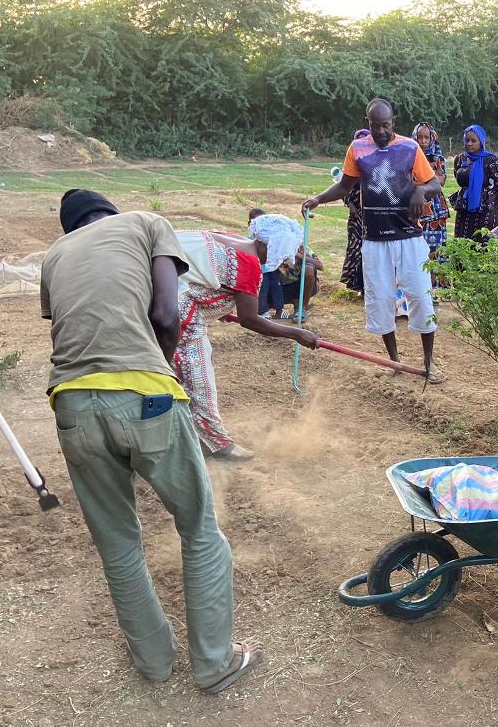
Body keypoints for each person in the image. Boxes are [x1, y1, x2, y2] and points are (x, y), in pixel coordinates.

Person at [40, 191, 263, 694]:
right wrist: (157, 370)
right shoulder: (145, 224)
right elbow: (166, 315)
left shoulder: (55, 254)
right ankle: (214, 664)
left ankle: (154, 661)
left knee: (118, 546)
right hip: (145, 396)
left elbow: (68, 332)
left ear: (70, 227)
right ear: (109, 213)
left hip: (71, 405)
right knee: (200, 529)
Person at [302, 99, 446, 383]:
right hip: (375, 240)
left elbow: (435, 183)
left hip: (410, 237)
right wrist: (318, 198)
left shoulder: (409, 147)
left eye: (387, 125)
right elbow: (345, 186)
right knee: (380, 301)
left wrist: (420, 193)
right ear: (368, 123)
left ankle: (429, 362)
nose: (381, 131)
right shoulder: (358, 149)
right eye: (376, 125)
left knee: (420, 297)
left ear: (394, 122)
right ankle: (395, 362)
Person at [172, 211, 319, 461]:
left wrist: (220, 308)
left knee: (177, 375)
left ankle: (181, 433)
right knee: (199, 376)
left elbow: (210, 279)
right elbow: (250, 320)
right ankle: (215, 443)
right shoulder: (249, 264)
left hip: (172, 299)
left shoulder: (230, 238)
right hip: (182, 316)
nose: (286, 258)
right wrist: (296, 333)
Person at [451, 124, 498, 242]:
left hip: (486, 208)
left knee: (484, 241)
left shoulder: (491, 160)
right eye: (467, 140)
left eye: (473, 141)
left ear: (481, 142)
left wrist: (495, 201)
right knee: (463, 241)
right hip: (465, 207)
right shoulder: (461, 158)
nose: (469, 143)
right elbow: (457, 175)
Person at [412, 122, 451, 270]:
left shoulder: (438, 157)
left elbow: (440, 181)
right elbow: (407, 180)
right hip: (416, 209)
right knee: (417, 250)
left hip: (436, 211)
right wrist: (430, 177)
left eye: (426, 137)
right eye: (420, 137)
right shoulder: (410, 156)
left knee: (437, 249)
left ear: (432, 138)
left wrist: (419, 178)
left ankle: (437, 287)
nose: (423, 141)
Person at [340, 128, 371, 295]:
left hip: (372, 214)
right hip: (356, 215)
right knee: (356, 248)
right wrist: (350, 205)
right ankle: (357, 285)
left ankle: (369, 287)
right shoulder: (352, 163)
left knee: (371, 250)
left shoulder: (374, 163)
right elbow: (343, 188)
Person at [248, 208, 285, 318]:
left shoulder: (270, 238)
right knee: (262, 290)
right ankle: (263, 312)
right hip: (259, 270)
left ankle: (279, 311)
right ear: (250, 223)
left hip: (272, 268)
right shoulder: (249, 240)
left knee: (276, 288)